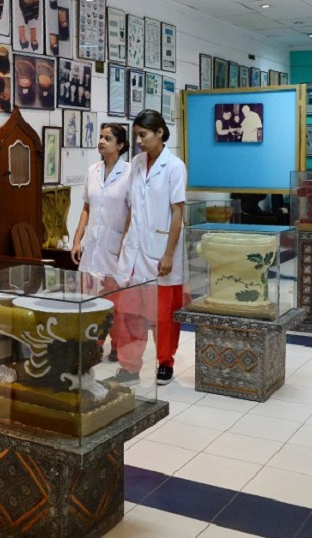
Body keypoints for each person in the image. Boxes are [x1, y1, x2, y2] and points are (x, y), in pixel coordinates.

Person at [112, 109, 186, 386]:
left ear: (160, 132)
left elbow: (178, 212)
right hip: (135, 250)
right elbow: (132, 206)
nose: (139, 141)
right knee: (130, 313)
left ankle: (165, 362)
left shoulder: (174, 166)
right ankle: (129, 366)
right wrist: (123, 243)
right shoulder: (136, 163)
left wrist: (168, 253)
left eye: (143, 135)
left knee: (163, 315)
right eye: (136, 136)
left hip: (161, 251)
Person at [71, 123, 131, 361]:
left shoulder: (129, 173)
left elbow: (131, 212)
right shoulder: (92, 170)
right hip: (92, 245)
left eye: (108, 138)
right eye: (101, 136)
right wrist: (77, 240)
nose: (102, 141)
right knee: (90, 300)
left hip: (115, 245)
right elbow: (86, 207)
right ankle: (93, 344)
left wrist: (123, 244)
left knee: (115, 302)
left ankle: (118, 344)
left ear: (120, 145)